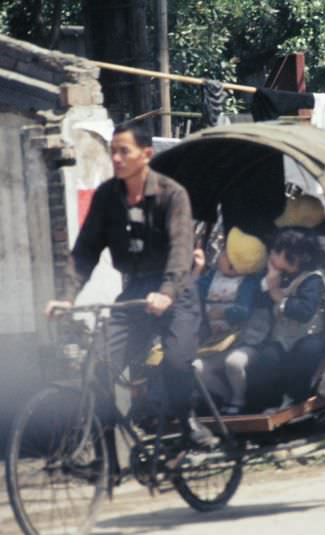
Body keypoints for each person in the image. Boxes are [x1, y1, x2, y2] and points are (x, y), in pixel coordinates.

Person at [45, 123, 216, 449]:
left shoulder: (172, 194)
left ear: (146, 155)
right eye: (113, 151)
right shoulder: (108, 197)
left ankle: (188, 419)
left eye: (125, 151)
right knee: (98, 368)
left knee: (177, 361)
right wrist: (67, 298)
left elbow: (181, 252)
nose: (117, 158)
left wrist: (166, 294)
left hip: (176, 291)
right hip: (136, 291)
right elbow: (84, 253)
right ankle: (107, 450)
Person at [195, 227, 268, 415]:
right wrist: (197, 271)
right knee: (197, 368)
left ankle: (238, 398)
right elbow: (196, 291)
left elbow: (244, 312)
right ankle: (225, 396)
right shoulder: (213, 276)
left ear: (235, 264)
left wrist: (224, 313)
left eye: (225, 253)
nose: (220, 255)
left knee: (234, 363)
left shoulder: (248, 283)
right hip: (217, 342)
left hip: (245, 342)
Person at [256, 226, 325, 410]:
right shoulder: (281, 277)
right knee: (267, 358)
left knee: (305, 354)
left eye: (278, 252)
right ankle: (270, 401)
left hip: (308, 335)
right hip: (281, 336)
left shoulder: (313, 280)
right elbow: (261, 302)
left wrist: (276, 294)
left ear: (296, 258)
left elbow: (304, 311)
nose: (272, 254)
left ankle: (298, 398)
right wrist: (269, 285)